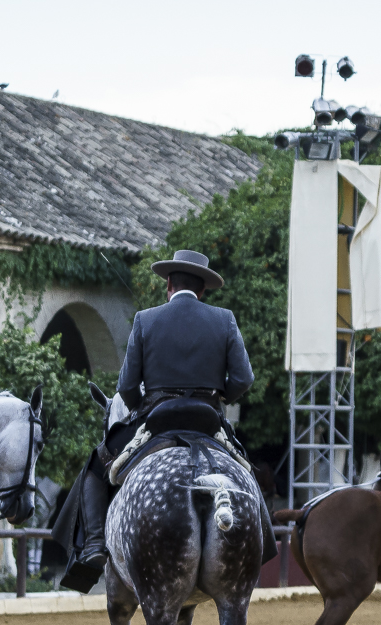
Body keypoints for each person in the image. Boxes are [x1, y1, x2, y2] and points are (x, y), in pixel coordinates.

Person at [52, 249, 263, 592]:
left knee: (96, 465)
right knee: (246, 470)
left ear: (168, 284)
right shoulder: (224, 319)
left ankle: (92, 545)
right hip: (208, 419)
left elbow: (126, 386)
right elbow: (243, 379)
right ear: (203, 290)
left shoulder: (145, 319)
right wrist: (218, 396)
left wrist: (140, 409)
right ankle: (261, 541)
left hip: (158, 416)